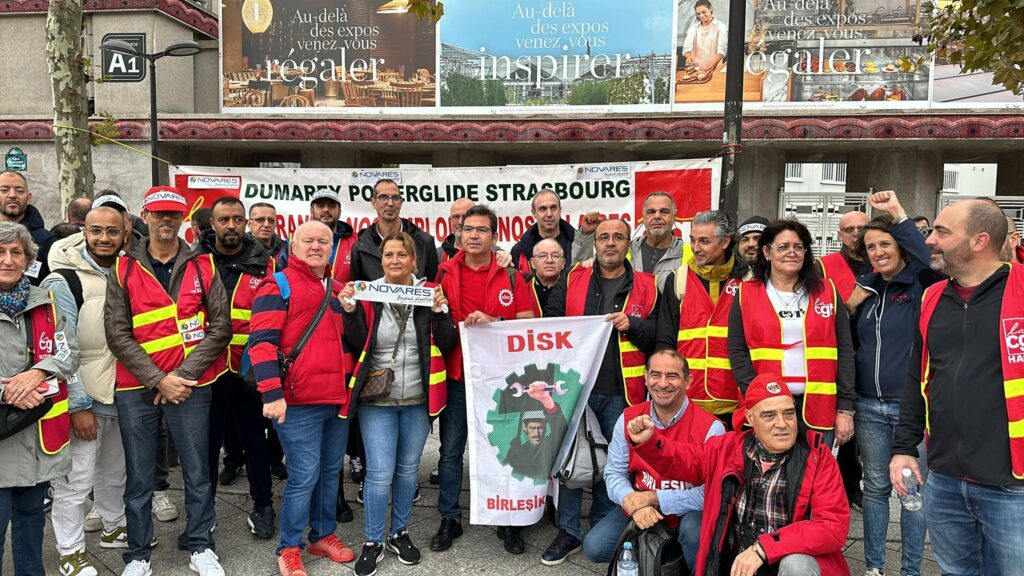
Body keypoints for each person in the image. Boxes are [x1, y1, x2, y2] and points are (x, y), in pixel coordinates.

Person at [891, 198, 1024, 574]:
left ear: (979, 241)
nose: (929, 240)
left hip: (1013, 483)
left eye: (941, 232)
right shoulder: (933, 297)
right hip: (945, 478)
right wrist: (904, 449)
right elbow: (918, 377)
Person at [105, 186, 231, 576]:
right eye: (158, 214)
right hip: (136, 387)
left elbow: (220, 327)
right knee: (140, 476)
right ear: (144, 216)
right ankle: (138, 554)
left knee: (196, 471)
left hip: (190, 386)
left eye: (173, 215)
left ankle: (200, 545)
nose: (165, 221)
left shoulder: (204, 265)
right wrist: (159, 379)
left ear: (183, 219)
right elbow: (117, 332)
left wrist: (182, 376)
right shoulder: (123, 267)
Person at [626, 374, 851, 576]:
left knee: (797, 565)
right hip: (738, 565)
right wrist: (649, 442)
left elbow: (831, 526)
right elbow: (684, 460)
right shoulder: (727, 448)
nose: (782, 424)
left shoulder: (817, 456)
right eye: (769, 415)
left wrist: (765, 547)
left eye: (788, 414)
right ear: (750, 419)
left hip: (783, 560)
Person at [543, 218, 659, 565]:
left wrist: (633, 325)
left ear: (629, 245)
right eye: (603, 237)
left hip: (623, 394)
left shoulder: (649, 286)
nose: (610, 243)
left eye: (618, 237)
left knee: (616, 464)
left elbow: (659, 334)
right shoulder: (573, 279)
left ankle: (601, 529)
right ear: (594, 243)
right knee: (568, 461)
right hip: (576, 390)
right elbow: (551, 320)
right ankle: (568, 531)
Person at [340, 231, 457, 575]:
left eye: (401, 255)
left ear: (413, 260)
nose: (394, 261)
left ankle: (399, 532)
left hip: (419, 399)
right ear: (381, 259)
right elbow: (359, 341)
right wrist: (349, 312)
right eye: (388, 255)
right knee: (378, 474)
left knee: (407, 471)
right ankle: (373, 540)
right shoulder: (368, 292)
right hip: (378, 399)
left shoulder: (429, 292)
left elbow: (448, 343)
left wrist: (439, 313)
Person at [249, 221, 357, 576]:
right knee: (303, 476)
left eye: (323, 241)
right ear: (292, 246)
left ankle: (322, 534)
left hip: (335, 400)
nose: (315, 246)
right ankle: (289, 547)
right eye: (307, 240)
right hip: (296, 402)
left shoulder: (340, 289)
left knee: (329, 473)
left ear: (332, 248)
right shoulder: (276, 285)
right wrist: (272, 393)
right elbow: (262, 344)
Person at [843, 191, 937, 576]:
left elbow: (929, 257)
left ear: (900, 247)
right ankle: (875, 567)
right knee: (876, 489)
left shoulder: (922, 284)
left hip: (910, 405)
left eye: (886, 244)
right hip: (868, 405)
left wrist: (897, 214)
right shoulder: (865, 291)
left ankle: (911, 569)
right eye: (871, 247)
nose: (879, 251)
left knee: (912, 493)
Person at [432, 204, 535, 554]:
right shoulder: (444, 272)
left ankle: (508, 520)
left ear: (494, 235)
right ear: (459, 234)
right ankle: (450, 518)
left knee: (505, 450)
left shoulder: (512, 276)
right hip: (459, 376)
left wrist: (494, 322)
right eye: (467, 229)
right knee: (450, 451)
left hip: (502, 381)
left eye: (481, 230)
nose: (473, 235)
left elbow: (526, 325)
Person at [582, 349, 725, 573]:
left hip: (687, 512)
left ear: (688, 381)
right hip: (641, 505)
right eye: (656, 375)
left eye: (673, 376)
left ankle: (688, 564)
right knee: (594, 546)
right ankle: (654, 560)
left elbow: (712, 493)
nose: (662, 383)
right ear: (646, 378)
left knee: (694, 534)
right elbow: (614, 473)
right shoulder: (629, 417)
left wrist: (652, 498)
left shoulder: (711, 427)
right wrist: (632, 503)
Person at [45, 209, 131, 576]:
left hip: (122, 392)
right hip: (85, 395)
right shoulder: (63, 279)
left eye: (112, 231)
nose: (104, 238)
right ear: (84, 232)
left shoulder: (130, 271)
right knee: (74, 480)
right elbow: (60, 345)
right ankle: (71, 551)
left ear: (124, 234)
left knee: (114, 471)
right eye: (96, 231)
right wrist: (77, 403)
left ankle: (113, 527)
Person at [727, 220, 856, 448]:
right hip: (767, 406)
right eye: (783, 247)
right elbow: (737, 352)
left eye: (798, 247)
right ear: (767, 252)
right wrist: (756, 395)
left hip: (819, 407)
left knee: (815, 478)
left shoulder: (827, 291)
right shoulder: (745, 294)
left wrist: (845, 408)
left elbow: (845, 351)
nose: (792, 253)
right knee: (769, 480)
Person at [0, 222, 79, 575]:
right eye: (0, 253)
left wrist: (39, 372)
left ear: (28, 259)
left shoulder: (45, 302)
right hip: (3, 438)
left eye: (16, 252)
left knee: (32, 526)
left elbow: (69, 353)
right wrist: (6, 390)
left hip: (36, 440)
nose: (8, 260)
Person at [197, 197, 277, 543]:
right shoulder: (194, 262)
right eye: (224, 220)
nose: (231, 226)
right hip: (207, 368)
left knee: (255, 443)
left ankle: (263, 505)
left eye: (237, 220)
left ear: (245, 223)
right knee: (207, 445)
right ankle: (203, 513)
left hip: (248, 368)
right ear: (211, 224)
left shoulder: (266, 263)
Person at [657, 210, 749, 425]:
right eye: (693, 240)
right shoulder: (678, 279)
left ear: (725, 242)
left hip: (735, 403)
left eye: (704, 241)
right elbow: (665, 340)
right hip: (688, 399)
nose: (696, 248)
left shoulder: (749, 281)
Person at [573, 192, 684, 290]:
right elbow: (579, 277)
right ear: (643, 217)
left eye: (664, 212)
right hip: (626, 314)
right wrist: (586, 235)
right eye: (651, 212)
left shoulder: (688, 253)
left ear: (674, 216)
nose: (657, 216)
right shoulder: (624, 247)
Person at [351, 179, 439, 283]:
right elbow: (358, 292)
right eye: (383, 197)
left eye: (395, 198)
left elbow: (433, 287)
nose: (390, 203)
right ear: (373, 203)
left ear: (401, 203)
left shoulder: (424, 242)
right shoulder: (361, 247)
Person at [0, 171, 56, 285]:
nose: (12, 195)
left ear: (28, 197)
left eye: (19, 191)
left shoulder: (47, 241)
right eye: (4, 190)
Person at [509, 189, 574, 275]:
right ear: (534, 213)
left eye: (554, 208)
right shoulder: (519, 251)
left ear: (560, 210)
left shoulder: (577, 244)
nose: (549, 214)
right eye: (543, 209)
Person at [817, 210, 871, 304]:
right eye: (849, 230)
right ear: (840, 235)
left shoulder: (884, 261)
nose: (856, 234)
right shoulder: (823, 265)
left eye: (862, 229)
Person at [309, 189, 356, 283]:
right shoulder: (296, 241)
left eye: (331, 206)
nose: (326, 209)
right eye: (320, 205)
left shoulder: (356, 241)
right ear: (311, 211)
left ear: (339, 212)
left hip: (343, 297)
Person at [682, 0, 728, 73]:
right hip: (697, 71)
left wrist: (712, 66)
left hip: (716, 69)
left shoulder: (720, 26)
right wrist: (689, 56)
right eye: (698, 14)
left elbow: (722, 50)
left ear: (710, 9)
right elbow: (687, 47)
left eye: (704, 12)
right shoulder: (693, 28)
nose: (701, 16)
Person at [523, 238, 566, 316]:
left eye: (555, 256)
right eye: (543, 256)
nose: (549, 260)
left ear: (563, 263)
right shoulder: (522, 286)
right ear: (533, 263)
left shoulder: (571, 288)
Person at [248, 202, 289, 270]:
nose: (266, 224)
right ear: (249, 224)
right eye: (260, 220)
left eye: (271, 220)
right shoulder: (238, 250)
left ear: (275, 225)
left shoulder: (286, 251)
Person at [438, 198, 473, 262]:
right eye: (456, 217)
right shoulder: (438, 255)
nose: (460, 222)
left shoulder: (493, 254)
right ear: (450, 221)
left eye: (465, 216)